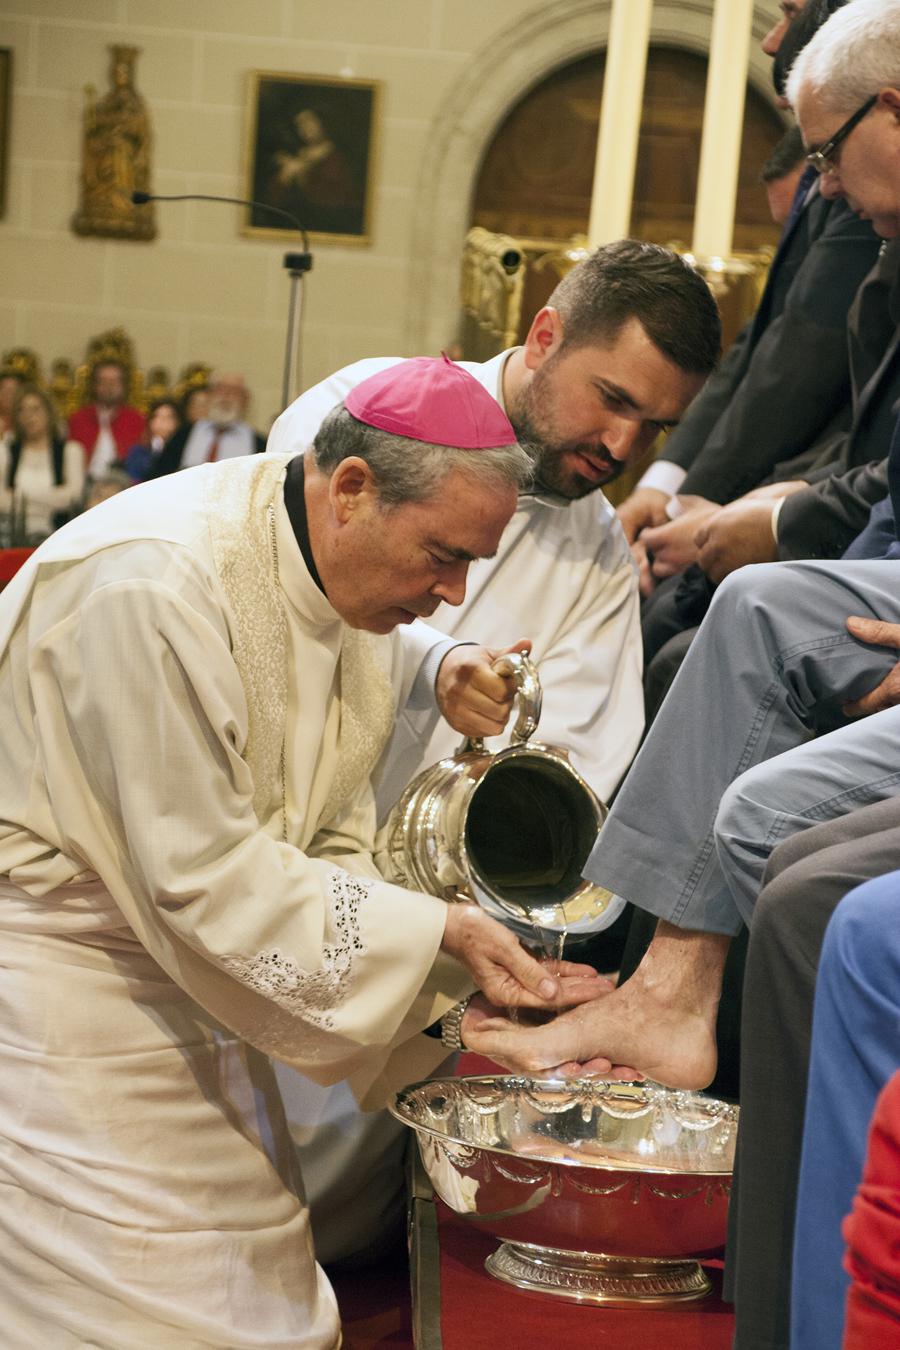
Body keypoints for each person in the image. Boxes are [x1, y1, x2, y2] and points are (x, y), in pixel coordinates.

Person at [0, 357, 618, 1346]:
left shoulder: (337, 572)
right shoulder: (147, 589)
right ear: (352, 488)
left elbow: (313, 841)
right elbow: (203, 880)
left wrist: (460, 1023)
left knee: (269, 1300)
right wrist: (448, 940)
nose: (454, 596)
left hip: (189, 988)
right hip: (65, 993)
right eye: (444, 556)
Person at [267, 241, 722, 1263]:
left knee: (343, 1230)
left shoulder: (598, 547)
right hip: (282, 855)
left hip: (435, 925)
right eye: (611, 398)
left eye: (653, 425)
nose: (621, 442)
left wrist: (508, 941)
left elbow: (583, 778)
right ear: (546, 334)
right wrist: (438, 662)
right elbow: (287, 592)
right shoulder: (366, 408)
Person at [617, 0, 879, 595]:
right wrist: (664, 484)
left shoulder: (869, 189)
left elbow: (795, 369)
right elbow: (757, 349)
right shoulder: (840, 173)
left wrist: (686, 512)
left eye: (789, 11)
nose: (770, 40)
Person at [0, 383, 85, 542]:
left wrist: (18, 495)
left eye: (35, 409)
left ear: (48, 412)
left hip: (57, 536)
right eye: (21, 410)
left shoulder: (70, 451)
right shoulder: (5, 451)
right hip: (10, 537)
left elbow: (73, 497)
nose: (28, 416)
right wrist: (53, 496)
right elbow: (1, 501)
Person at [153, 371, 265, 472]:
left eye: (234, 392)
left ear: (245, 399)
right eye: (221, 390)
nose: (226, 397)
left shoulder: (258, 444)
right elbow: (159, 475)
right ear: (210, 395)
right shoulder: (184, 435)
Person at [68, 358, 145, 477]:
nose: (109, 387)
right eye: (103, 381)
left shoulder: (137, 419)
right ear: (94, 385)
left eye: (114, 382)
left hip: (124, 484)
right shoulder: (78, 419)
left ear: (123, 385)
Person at [124, 396, 183, 481]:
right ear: (150, 421)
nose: (162, 421)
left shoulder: (183, 450)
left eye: (168, 417)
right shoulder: (138, 451)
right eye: (157, 416)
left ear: (177, 422)